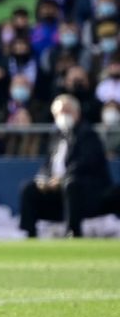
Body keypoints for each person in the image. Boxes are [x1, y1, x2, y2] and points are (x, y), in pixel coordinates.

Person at [19, 94, 117, 237]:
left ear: (77, 113)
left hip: (86, 191)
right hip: (57, 190)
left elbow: (86, 163)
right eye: (59, 113)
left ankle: (73, 231)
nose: (63, 115)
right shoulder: (56, 136)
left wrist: (62, 179)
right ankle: (29, 232)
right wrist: (43, 179)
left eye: (67, 111)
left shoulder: (88, 134)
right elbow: (47, 165)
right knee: (29, 188)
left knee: (71, 184)